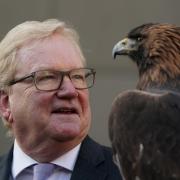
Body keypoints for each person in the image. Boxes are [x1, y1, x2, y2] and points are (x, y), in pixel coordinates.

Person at [0, 19, 122, 180]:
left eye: (78, 76)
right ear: (6, 103)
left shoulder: (130, 173)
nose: (71, 91)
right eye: (48, 77)